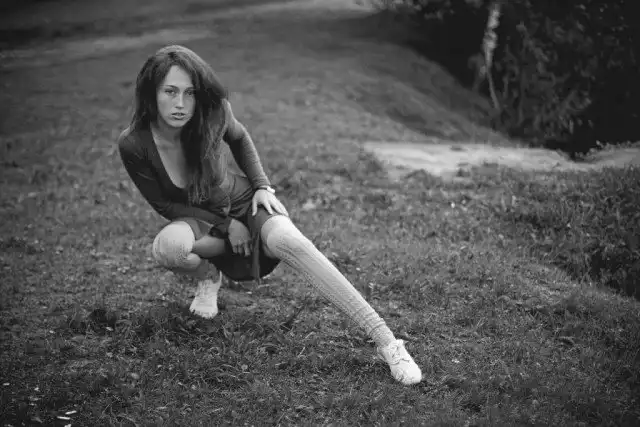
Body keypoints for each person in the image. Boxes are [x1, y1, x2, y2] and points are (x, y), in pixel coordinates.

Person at [117, 44, 422, 385]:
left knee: (292, 242)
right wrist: (226, 225)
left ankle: (387, 341)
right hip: (199, 218)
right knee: (169, 248)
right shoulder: (134, 144)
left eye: (189, 93)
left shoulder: (214, 111)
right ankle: (209, 275)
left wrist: (262, 185)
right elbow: (165, 205)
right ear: (151, 93)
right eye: (170, 92)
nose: (180, 104)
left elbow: (240, 138)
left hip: (242, 202)